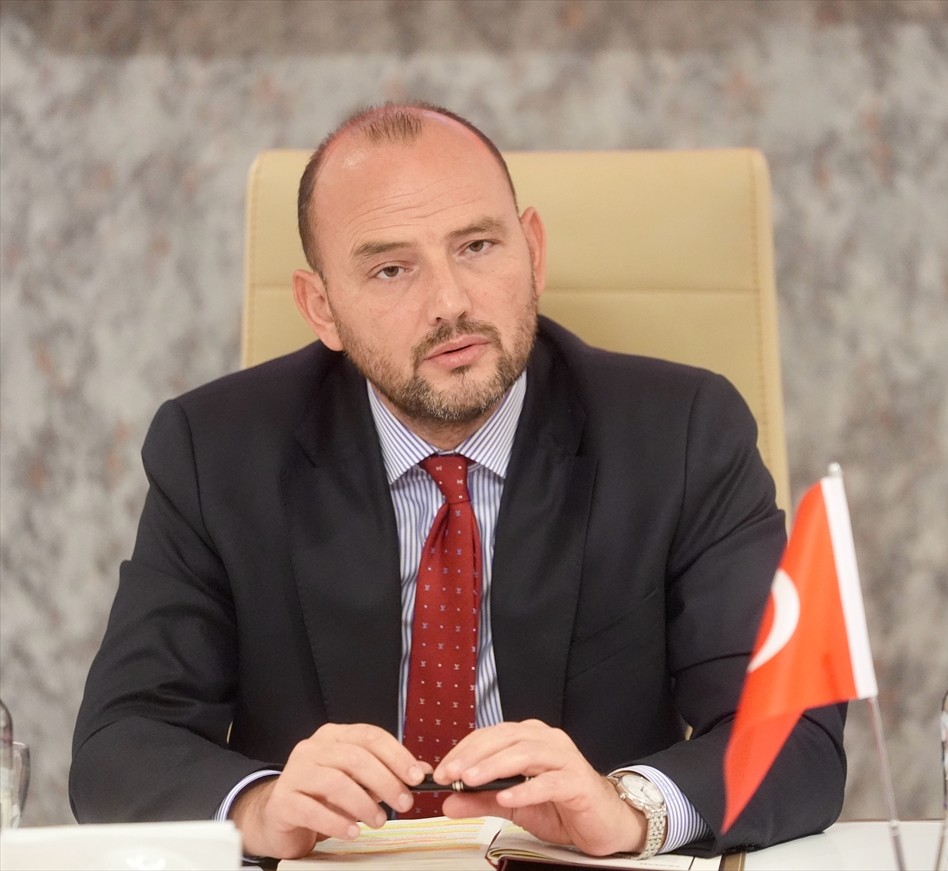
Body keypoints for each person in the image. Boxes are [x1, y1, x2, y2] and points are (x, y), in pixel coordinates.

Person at [70, 102, 846, 861]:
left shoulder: (682, 433)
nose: (451, 303)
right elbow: (120, 741)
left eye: (476, 246)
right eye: (391, 269)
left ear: (532, 250)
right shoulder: (215, 449)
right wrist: (259, 806)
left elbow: (795, 731)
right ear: (322, 307)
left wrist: (627, 808)